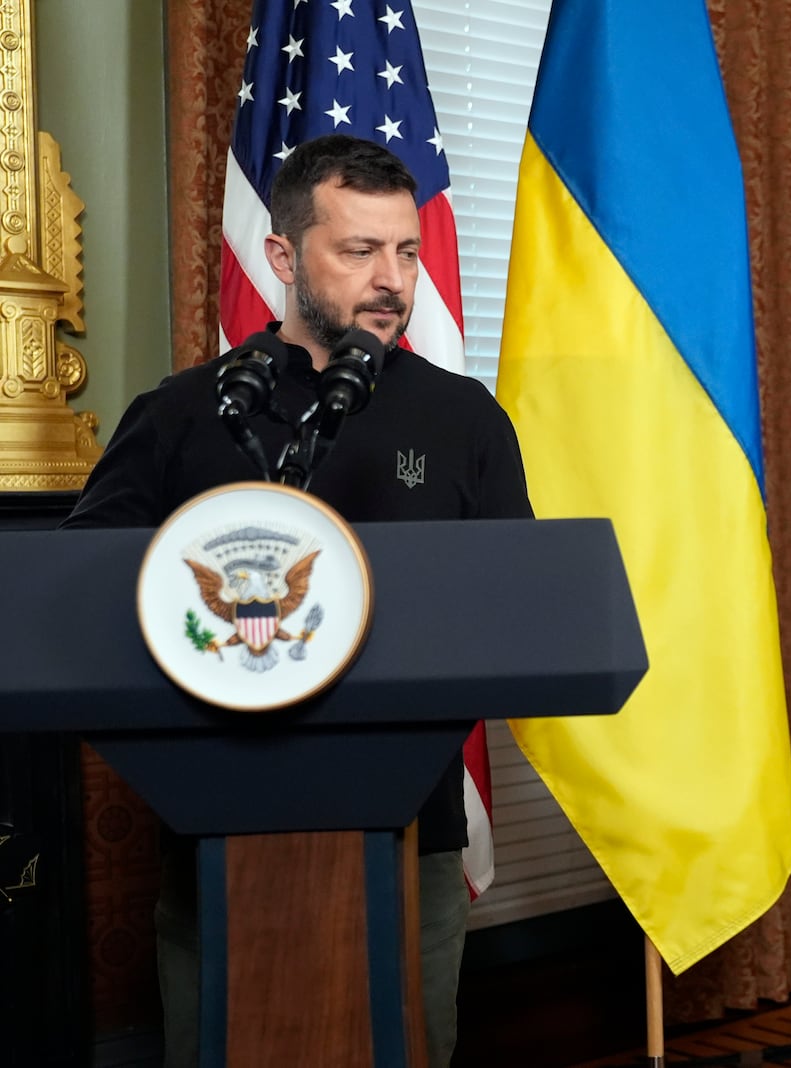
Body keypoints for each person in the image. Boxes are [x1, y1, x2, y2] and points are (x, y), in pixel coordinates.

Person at [62, 134, 531, 1066]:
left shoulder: (465, 420)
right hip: (219, 821)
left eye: (406, 251)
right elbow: (82, 592)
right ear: (281, 257)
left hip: (412, 824)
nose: (391, 279)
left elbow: (512, 607)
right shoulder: (185, 414)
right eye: (358, 251)